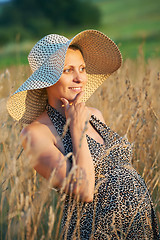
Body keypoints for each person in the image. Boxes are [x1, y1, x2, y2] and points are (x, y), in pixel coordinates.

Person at [7, 30, 159, 239]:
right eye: (68, 70)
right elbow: (84, 190)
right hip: (98, 231)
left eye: (82, 69)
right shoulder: (35, 133)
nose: (79, 78)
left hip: (139, 224)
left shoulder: (95, 115)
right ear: (47, 79)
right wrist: (77, 128)